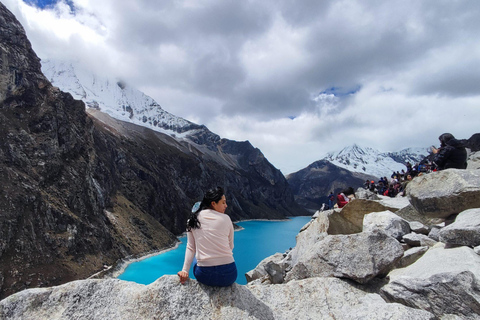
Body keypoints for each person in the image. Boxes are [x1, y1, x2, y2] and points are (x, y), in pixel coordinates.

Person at [177, 187, 237, 287]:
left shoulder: (193, 220)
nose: (226, 206)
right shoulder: (227, 219)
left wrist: (184, 271)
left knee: (197, 257)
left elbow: (191, 248)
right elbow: (231, 247)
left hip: (205, 276)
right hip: (229, 275)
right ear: (213, 203)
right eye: (223, 203)